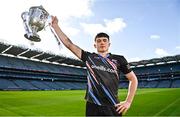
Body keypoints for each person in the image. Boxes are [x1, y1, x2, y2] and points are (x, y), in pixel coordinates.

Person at [51, 16, 138, 116]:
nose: (102, 42)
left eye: (104, 40)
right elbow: (69, 44)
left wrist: (128, 101)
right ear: (95, 45)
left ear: (109, 44)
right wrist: (55, 26)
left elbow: (133, 79)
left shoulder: (119, 59)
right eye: (99, 41)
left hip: (113, 105)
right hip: (92, 105)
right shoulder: (89, 57)